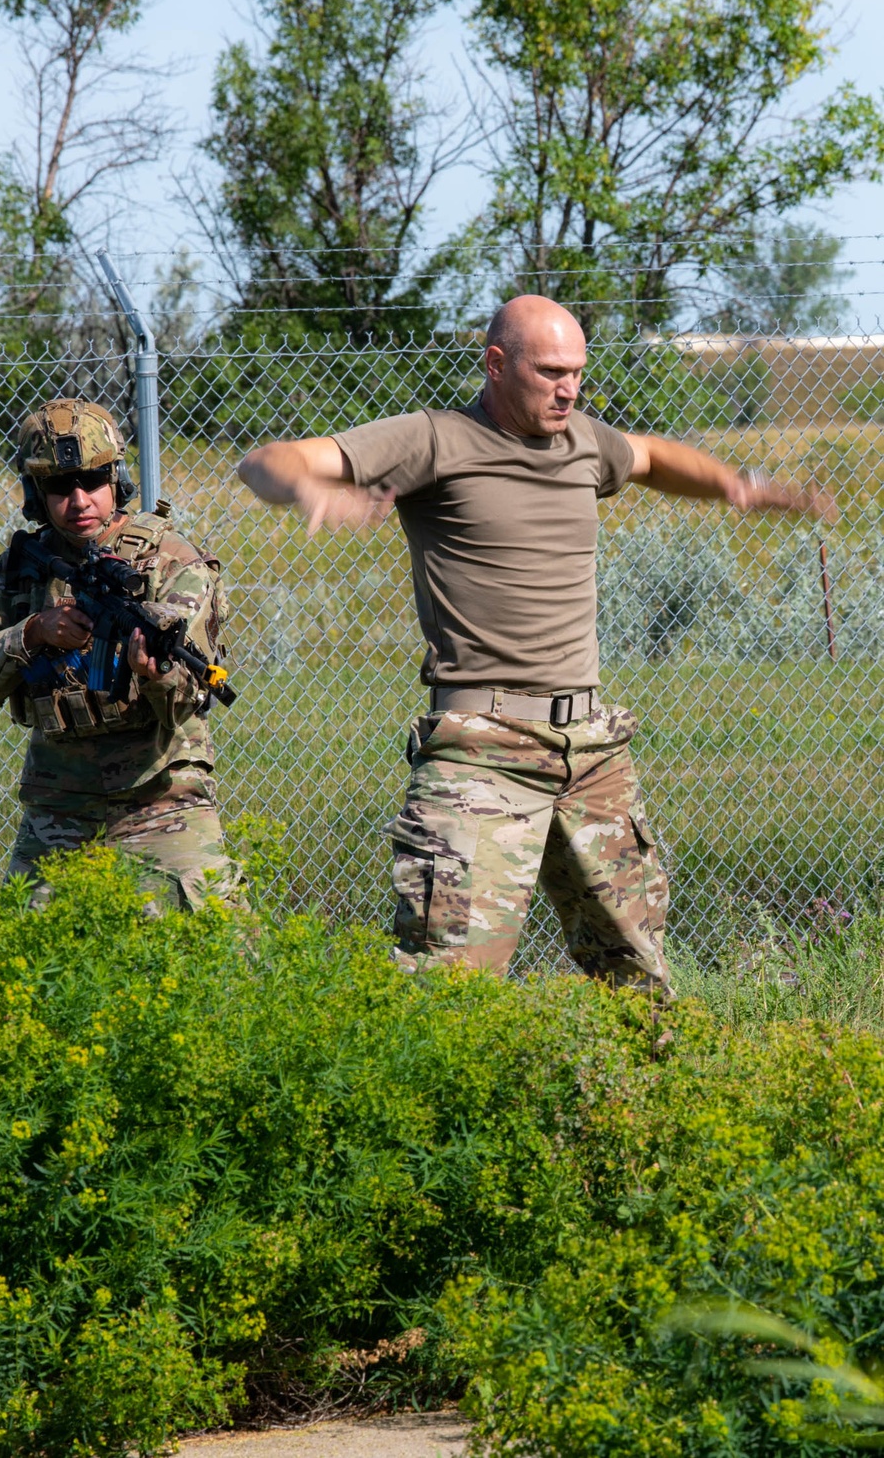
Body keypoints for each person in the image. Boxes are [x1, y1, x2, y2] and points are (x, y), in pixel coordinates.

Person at [237, 296, 828, 993]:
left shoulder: (581, 441)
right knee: (449, 988)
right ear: (495, 364)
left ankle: (628, 1096)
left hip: (592, 751)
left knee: (640, 979)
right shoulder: (434, 439)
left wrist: (735, 486)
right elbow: (263, 461)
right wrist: (309, 487)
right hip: (483, 750)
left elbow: (647, 456)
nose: (569, 388)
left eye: (577, 371)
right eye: (550, 371)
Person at [0, 396, 243, 911]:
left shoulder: (170, 560)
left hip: (159, 797)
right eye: (61, 487)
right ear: (35, 493)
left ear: (116, 480)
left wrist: (154, 674)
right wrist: (33, 634)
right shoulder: (19, 569)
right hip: (58, 801)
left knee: (214, 943)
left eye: (93, 481)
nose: (80, 499)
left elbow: (187, 701)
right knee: (31, 954)